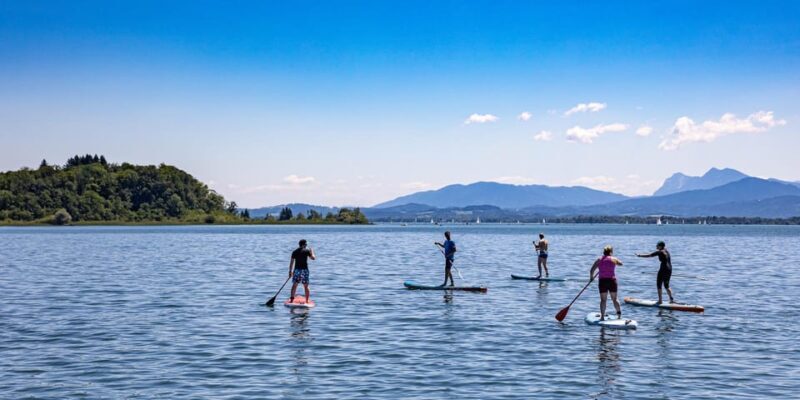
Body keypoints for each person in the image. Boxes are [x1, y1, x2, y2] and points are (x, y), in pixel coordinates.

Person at [589, 245, 623, 321]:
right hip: (612, 281)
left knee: (603, 300)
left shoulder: (599, 259)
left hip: (602, 281)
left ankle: (602, 317)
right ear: (611, 252)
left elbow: (591, 270)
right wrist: (615, 262)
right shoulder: (614, 259)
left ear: (604, 252)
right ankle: (619, 316)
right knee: (614, 299)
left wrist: (591, 278)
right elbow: (621, 264)